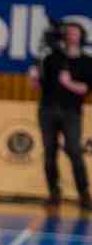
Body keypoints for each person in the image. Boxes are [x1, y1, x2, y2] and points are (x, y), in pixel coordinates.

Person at [28, 19, 91, 210]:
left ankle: (84, 194)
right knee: (49, 152)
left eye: (75, 32)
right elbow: (39, 86)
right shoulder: (52, 58)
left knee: (74, 150)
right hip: (47, 110)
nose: (71, 35)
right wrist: (33, 78)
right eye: (68, 32)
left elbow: (85, 89)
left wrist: (69, 83)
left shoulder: (87, 61)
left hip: (71, 112)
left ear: (81, 36)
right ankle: (54, 193)